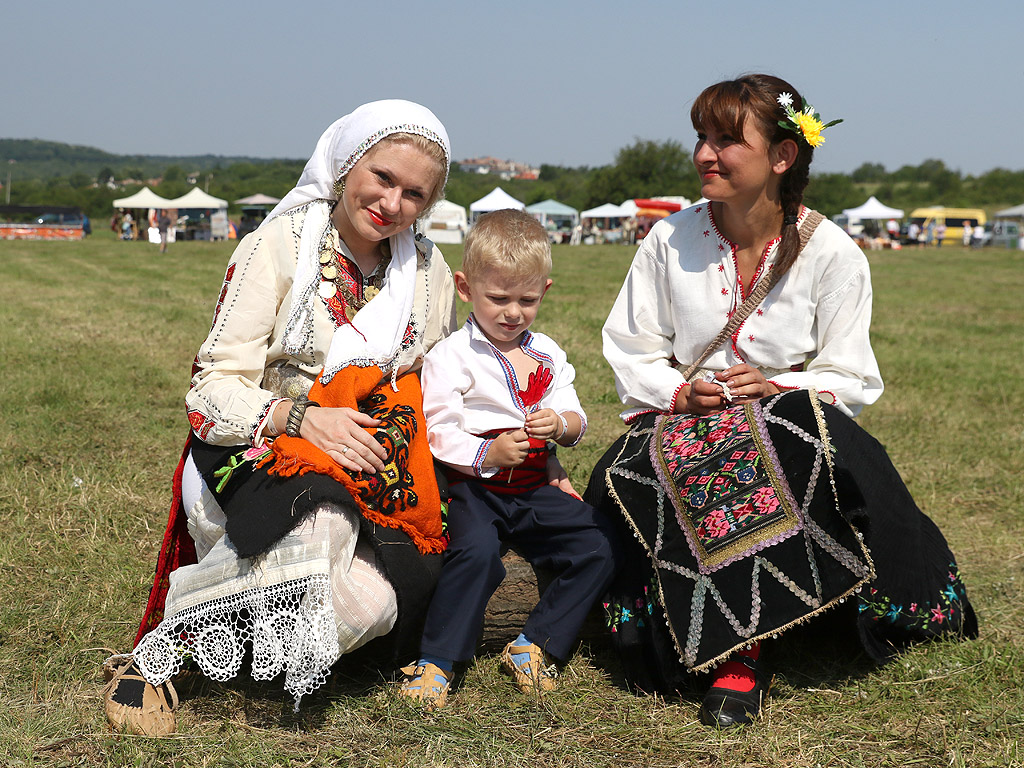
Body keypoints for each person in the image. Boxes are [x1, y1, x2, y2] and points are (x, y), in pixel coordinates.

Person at [586, 74, 976, 730]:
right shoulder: (667, 240)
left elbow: (851, 378)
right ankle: (715, 627)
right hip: (682, 421)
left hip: (793, 425)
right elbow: (630, 347)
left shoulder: (834, 254)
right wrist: (680, 393)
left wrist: (777, 387)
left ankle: (744, 651)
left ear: (783, 155)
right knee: (629, 470)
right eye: (701, 138)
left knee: (774, 439)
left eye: (727, 140)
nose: (706, 154)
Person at [103, 100, 460, 736]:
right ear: (347, 164)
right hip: (261, 449)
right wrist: (301, 417)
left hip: (376, 471)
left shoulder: (429, 271)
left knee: (374, 601)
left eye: (414, 193)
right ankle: (157, 659)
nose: (391, 202)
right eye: (381, 177)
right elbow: (210, 390)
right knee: (320, 523)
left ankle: (237, 651)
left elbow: (435, 382)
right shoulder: (277, 244)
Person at [397, 210, 620, 707]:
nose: (512, 312)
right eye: (498, 298)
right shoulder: (452, 355)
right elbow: (437, 430)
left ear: (545, 289)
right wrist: (487, 452)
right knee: (474, 554)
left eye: (527, 299)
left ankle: (535, 642)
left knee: (601, 543)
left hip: (537, 486)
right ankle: (437, 660)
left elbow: (576, 413)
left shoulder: (548, 353)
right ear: (465, 287)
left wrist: (561, 426)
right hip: (475, 488)